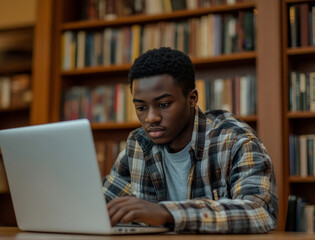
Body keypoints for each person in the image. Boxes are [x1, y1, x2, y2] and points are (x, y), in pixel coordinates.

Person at [102, 47, 278, 233]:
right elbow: (102, 207)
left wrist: (167, 213)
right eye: (141, 107)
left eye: (163, 105)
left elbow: (260, 211)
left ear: (192, 98)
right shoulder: (138, 144)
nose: (151, 118)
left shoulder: (234, 139)